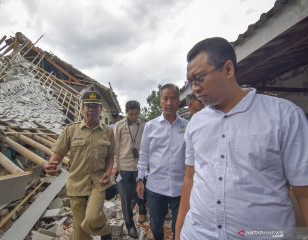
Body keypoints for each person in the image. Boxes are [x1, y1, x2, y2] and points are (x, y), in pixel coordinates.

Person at [175, 37, 308, 240]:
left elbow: (303, 192)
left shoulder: (284, 116)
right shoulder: (196, 123)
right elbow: (190, 178)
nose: (194, 88)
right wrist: (179, 232)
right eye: (190, 82)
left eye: (199, 78)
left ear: (228, 69)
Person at [43, 90, 115, 240]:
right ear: (82, 108)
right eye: (88, 106)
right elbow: (56, 157)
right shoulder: (71, 130)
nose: (91, 110)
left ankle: (106, 230)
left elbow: (110, 157)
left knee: (93, 218)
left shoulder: (108, 132)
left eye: (95, 106)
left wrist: (109, 171)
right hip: (76, 183)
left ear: (100, 110)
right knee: (80, 230)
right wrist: (47, 165)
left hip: (98, 182)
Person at [136, 83, 188, 240]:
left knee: (179, 225)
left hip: (181, 187)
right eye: (165, 98)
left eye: (173, 99)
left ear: (179, 101)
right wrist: (140, 179)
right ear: (160, 101)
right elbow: (144, 153)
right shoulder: (151, 126)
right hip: (156, 186)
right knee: (156, 224)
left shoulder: (187, 126)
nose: (169, 103)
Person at [111, 100, 147, 239]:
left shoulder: (143, 125)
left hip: (139, 167)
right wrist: (115, 165)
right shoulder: (119, 125)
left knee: (139, 193)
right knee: (125, 197)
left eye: (136, 114)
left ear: (139, 112)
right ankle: (130, 225)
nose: (133, 116)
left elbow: (147, 146)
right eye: (131, 114)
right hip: (123, 167)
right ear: (126, 112)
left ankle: (142, 211)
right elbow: (115, 147)